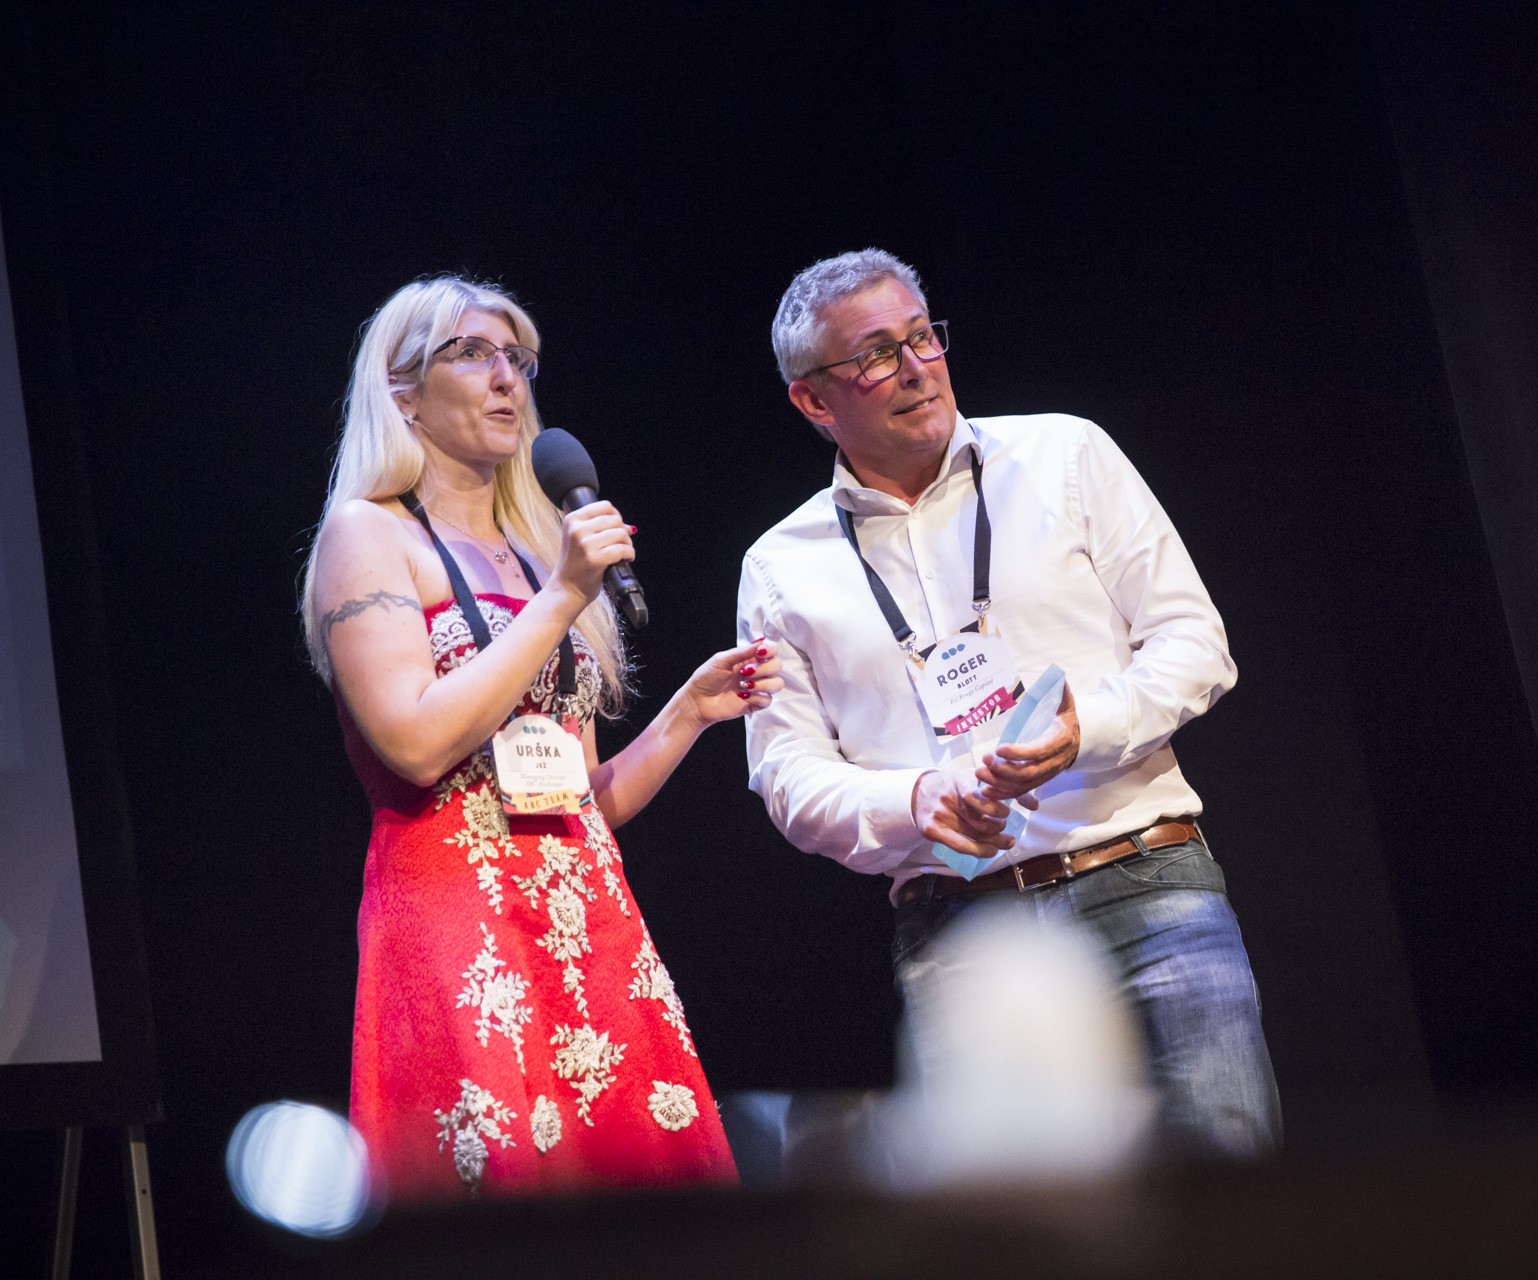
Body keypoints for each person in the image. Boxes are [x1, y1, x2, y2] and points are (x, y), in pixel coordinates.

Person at [738, 249, 1281, 1158]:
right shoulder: (779, 567)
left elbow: (1194, 642)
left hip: (1143, 880)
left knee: (1229, 1187)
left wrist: (1085, 733)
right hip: (961, 924)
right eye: (876, 355)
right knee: (1015, 1216)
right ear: (812, 400)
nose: (917, 367)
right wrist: (917, 799)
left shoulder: (1065, 454)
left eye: (923, 337)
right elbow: (788, 776)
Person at [301, 275, 780, 1200]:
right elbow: (414, 745)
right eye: (471, 354)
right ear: (402, 392)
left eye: (517, 359)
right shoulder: (368, 535)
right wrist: (564, 594)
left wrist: (687, 712)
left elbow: (583, 799)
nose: (506, 379)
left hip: (590, 922)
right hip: (458, 920)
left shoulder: (535, 550)